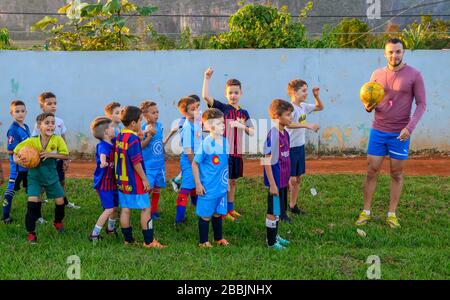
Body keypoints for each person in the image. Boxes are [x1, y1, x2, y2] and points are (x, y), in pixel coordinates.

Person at [356, 38, 427, 228]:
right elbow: (369, 99)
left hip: (400, 134)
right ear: (384, 53)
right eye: (390, 52)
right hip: (378, 130)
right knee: (371, 171)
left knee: (396, 173)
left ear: (403, 52)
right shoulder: (377, 74)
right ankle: (366, 211)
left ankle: (392, 214)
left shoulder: (414, 75)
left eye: (398, 51)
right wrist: (367, 106)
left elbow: (422, 104)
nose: (394, 55)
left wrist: (409, 128)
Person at [202, 67, 254, 222]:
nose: (233, 95)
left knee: (232, 181)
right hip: (224, 152)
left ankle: (231, 209)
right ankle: (222, 210)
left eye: (236, 92)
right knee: (224, 182)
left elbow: (251, 131)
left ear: (241, 93)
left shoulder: (244, 113)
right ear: (226, 94)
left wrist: (241, 126)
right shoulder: (223, 108)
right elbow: (205, 96)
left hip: (237, 153)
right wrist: (207, 78)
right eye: (230, 92)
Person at [14, 113, 69, 244]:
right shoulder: (32, 141)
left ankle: (57, 222)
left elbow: (65, 155)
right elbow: (16, 152)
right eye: (47, 123)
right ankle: (31, 233)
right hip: (35, 176)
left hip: (51, 176)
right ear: (39, 126)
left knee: (60, 201)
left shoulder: (57, 140)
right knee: (32, 202)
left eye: (52, 123)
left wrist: (50, 154)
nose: (51, 125)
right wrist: (18, 161)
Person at [115, 106, 165, 248]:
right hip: (134, 180)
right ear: (133, 123)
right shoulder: (132, 139)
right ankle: (149, 242)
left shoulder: (120, 135)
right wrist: (144, 179)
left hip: (122, 180)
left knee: (125, 209)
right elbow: (136, 161)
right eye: (140, 121)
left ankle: (128, 240)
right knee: (146, 208)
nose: (140, 124)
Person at [285, 79, 324, 222]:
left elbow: (320, 107)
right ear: (294, 92)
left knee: (298, 178)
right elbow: (289, 124)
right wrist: (307, 126)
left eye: (307, 90)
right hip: (289, 148)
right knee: (292, 179)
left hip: (299, 147)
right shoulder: (289, 108)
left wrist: (316, 96)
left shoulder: (303, 106)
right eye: (304, 91)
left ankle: (293, 205)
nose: (306, 93)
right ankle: (282, 208)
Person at [32, 92, 79, 209]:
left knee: (62, 181)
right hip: (45, 160)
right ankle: (38, 210)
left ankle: (65, 202)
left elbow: (63, 140)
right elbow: (34, 141)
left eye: (55, 103)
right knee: (42, 186)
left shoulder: (60, 122)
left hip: (58, 159)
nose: (53, 106)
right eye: (49, 104)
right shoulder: (39, 123)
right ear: (42, 107)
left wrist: (65, 159)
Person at [192, 108, 230, 248]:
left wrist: (228, 182)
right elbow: (195, 164)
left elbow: (225, 164)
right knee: (206, 215)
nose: (223, 126)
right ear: (209, 126)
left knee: (217, 214)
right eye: (220, 123)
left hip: (221, 186)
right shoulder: (206, 144)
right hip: (208, 187)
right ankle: (203, 241)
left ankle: (218, 238)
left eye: (223, 123)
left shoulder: (225, 142)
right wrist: (198, 184)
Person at [263, 99, 293, 250]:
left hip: (282, 181)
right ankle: (270, 242)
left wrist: (287, 180)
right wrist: (273, 184)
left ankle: (275, 235)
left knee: (279, 211)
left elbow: (284, 158)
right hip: (275, 182)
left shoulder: (285, 133)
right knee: (272, 212)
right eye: (288, 115)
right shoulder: (272, 135)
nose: (291, 118)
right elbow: (266, 161)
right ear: (277, 116)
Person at [89, 117, 119, 241]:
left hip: (113, 182)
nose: (114, 129)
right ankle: (94, 234)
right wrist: (103, 162)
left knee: (115, 207)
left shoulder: (114, 141)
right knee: (109, 208)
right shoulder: (102, 145)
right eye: (112, 127)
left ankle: (110, 229)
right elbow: (102, 154)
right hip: (104, 183)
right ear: (106, 132)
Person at [174, 96, 202, 228]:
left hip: (197, 159)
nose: (196, 110)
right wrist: (194, 164)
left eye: (197, 107)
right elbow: (188, 150)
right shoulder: (186, 127)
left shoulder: (196, 122)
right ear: (185, 113)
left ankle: (197, 207)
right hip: (190, 160)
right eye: (192, 109)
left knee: (195, 185)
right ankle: (179, 220)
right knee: (186, 188)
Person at [2, 100, 31, 224]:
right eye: (17, 111)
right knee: (10, 191)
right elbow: (9, 150)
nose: (20, 114)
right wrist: (19, 154)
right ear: (11, 113)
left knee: (32, 189)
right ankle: (5, 215)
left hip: (28, 167)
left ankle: (34, 214)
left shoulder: (26, 127)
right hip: (18, 168)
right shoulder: (13, 130)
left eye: (22, 111)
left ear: (26, 112)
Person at [140, 101, 167, 220]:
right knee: (148, 188)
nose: (156, 114)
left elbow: (160, 142)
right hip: (148, 165)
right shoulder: (142, 128)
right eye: (153, 112)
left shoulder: (160, 125)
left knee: (157, 188)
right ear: (145, 115)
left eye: (157, 112)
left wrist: (163, 152)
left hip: (160, 164)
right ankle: (145, 210)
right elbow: (140, 146)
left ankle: (153, 211)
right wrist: (149, 134)